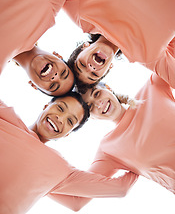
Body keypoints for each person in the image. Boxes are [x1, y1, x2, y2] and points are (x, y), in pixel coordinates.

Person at [45, 74, 175, 211]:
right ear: (92, 118)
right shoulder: (108, 149)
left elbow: (166, 57)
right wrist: (40, 181)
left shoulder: (151, 88)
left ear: (108, 88)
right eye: (90, 107)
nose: (99, 104)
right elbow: (77, 201)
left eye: (97, 94)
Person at [0, 89, 138, 214]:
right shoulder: (6, 116)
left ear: (67, 133)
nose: (60, 119)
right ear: (45, 106)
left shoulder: (59, 169)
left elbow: (120, 188)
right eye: (60, 108)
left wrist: (138, 153)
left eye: (70, 121)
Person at [63, 0, 175, 89]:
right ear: (110, 67)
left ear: (84, 47)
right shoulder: (145, 55)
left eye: (82, 64)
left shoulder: (82, 15)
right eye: (94, 75)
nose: (91, 68)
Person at [0, 0, 88, 96]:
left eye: (53, 86)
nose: (55, 77)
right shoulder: (49, 9)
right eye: (63, 73)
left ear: (33, 85)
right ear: (57, 55)